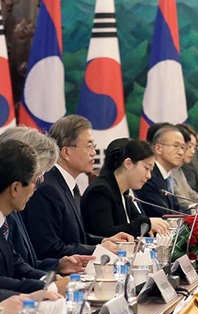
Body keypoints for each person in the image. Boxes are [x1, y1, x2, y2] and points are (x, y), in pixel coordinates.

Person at [21, 115, 132, 260]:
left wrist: (103, 241)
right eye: (89, 146)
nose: (94, 153)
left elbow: (74, 238)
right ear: (66, 152)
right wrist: (96, 249)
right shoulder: (47, 188)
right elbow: (49, 248)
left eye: (94, 146)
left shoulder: (68, 185)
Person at [0, 128, 93, 275]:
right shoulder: (42, 192)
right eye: (37, 175)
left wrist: (57, 266)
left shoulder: (11, 211)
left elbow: (21, 263)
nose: (41, 180)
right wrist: (52, 283)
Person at [82, 138, 169, 238]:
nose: (149, 176)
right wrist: (146, 223)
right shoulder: (100, 191)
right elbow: (104, 233)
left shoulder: (123, 190)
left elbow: (137, 217)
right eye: (146, 168)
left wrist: (148, 223)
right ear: (128, 163)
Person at [135, 125, 187, 217]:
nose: (181, 152)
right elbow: (162, 214)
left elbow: (176, 208)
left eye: (183, 147)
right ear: (158, 148)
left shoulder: (167, 176)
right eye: (176, 146)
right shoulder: (148, 176)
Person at [173, 124, 198, 211]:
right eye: (189, 147)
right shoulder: (171, 171)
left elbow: (192, 195)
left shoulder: (179, 169)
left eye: (194, 147)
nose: (193, 151)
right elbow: (181, 202)